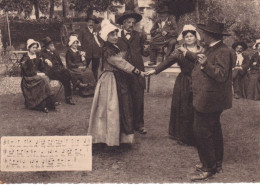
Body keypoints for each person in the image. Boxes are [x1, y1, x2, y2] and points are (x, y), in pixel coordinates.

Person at [179, 20, 233, 180]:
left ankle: (207, 167)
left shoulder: (222, 50)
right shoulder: (213, 48)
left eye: (204, 33)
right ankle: (215, 163)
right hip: (208, 97)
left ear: (210, 35)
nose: (201, 35)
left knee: (201, 131)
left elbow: (221, 75)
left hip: (210, 99)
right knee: (214, 130)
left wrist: (206, 64)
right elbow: (199, 60)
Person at [88, 20, 145, 146]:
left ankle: (118, 137)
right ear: (106, 37)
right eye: (111, 35)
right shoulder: (108, 50)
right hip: (110, 80)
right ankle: (106, 137)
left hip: (117, 78)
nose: (115, 37)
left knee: (119, 107)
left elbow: (120, 60)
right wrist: (138, 72)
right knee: (110, 107)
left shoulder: (114, 47)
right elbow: (120, 63)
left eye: (115, 34)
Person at [146, 25, 203, 146]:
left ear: (195, 37)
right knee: (183, 108)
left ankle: (196, 135)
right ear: (183, 38)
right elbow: (167, 62)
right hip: (183, 82)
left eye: (191, 36)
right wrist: (155, 71)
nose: (188, 38)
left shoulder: (202, 50)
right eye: (186, 36)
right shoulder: (178, 50)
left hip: (198, 82)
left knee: (196, 107)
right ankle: (182, 135)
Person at [117, 11, 149, 134]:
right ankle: (127, 125)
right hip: (123, 71)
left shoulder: (139, 35)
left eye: (133, 23)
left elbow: (144, 53)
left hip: (138, 71)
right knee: (125, 98)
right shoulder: (117, 36)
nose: (131, 25)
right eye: (129, 22)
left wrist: (147, 49)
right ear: (123, 23)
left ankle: (139, 124)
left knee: (138, 97)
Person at [20, 39, 56, 113]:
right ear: (29, 48)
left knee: (45, 77)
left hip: (35, 77)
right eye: (33, 47)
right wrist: (37, 74)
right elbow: (26, 72)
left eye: (36, 47)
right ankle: (46, 103)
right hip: (28, 79)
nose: (35, 49)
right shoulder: (25, 58)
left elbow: (41, 68)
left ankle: (48, 103)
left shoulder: (37, 56)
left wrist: (45, 70)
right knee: (43, 79)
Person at [40, 36, 75, 105]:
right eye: (51, 44)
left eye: (52, 44)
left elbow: (60, 63)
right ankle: (76, 83)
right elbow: (39, 60)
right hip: (50, 72)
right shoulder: (43, 53)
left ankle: (68, 98)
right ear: (47, 46)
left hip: (60, 71)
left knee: (66, 78)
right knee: (67, 73)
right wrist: (45, 60)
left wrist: (63, 68)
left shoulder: (55, 52)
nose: (53, 45)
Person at [80, 14, 102, 80]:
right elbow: (79, 42)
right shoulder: (83, 31)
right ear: (87, 23)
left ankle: (96, 81)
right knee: (83, 67)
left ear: (94, 23)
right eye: (90, 22)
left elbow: (101, 41)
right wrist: (81, 52)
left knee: (95, 69)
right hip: (86, 53)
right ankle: (81, 82)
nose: (91, 23)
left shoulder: (97, 31)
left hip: (96, 53)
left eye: (93, 22)